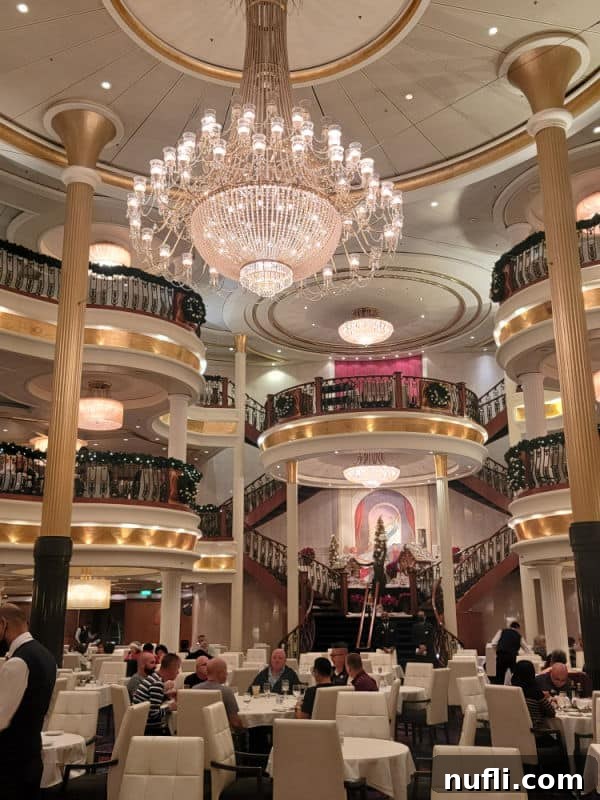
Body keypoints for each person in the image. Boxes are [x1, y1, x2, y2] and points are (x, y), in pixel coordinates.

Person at [0, 604, 56, 800]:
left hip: (9, 763)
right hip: (31, 752)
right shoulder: (46, 656)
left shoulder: (18, 662)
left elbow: (1, 719)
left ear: (2, 624)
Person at [133, 652, 181, 735]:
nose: (178, 673)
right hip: (148, 729)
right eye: (177, 669)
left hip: (139, 723)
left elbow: (151, 703)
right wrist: (170, 708)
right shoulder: (157, 684)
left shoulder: (153, 677)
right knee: (177, 731)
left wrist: (166, 696)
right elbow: (154, 714)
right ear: (172, 668)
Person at [195, 657, 243, 730]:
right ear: (220, 673)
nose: (227, 674)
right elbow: (235, 722)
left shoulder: (194, 689)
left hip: (198, 734)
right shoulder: (226, 692)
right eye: (225, 671)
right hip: (220, 736)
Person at [511, 660, 555, 730]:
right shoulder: (535, 692)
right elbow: (552, 713)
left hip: (514, 732)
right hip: (536, 734)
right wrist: (545, 698)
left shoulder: (510, 692)